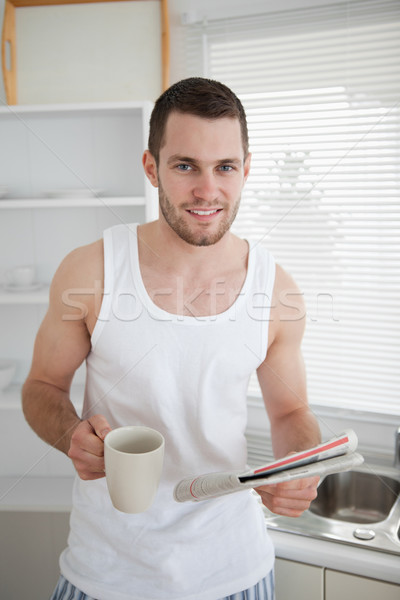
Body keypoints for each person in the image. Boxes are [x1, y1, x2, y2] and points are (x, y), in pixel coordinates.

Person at [22, 77, 321, 600]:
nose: (208, 190)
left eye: (225, 167)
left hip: (234, 570)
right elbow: (42, 385)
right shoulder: (91, 270)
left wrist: (298, 468)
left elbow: (290, 415)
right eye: (185, 166)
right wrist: (70, 434)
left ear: (246, 170)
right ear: (151, 168)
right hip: (105, 573)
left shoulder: (277, 290)